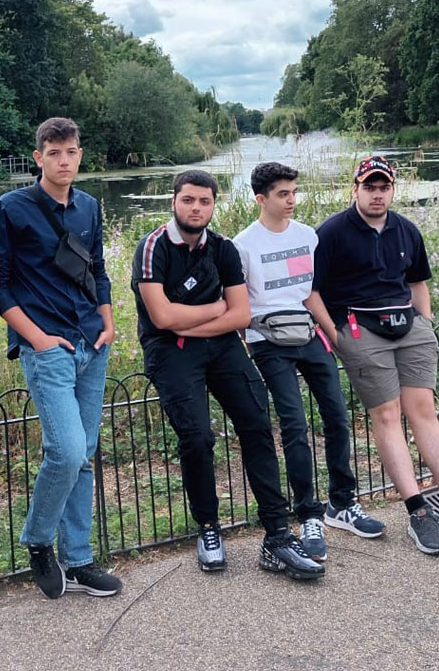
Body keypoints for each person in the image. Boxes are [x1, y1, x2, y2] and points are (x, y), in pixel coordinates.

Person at [131, 169, 324, 580]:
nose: (196, 208)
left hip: (220, 346)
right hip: (171, 352)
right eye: (188, 200)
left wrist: (194, 320)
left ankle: (276, 535)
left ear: (214, 205)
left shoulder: (222, 249)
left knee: (256, 424)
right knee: (197, 437)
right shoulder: (152, 248)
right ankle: (208, 527)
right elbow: (161, 317)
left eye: (204, 201)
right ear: (174, 201)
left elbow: (240, 314)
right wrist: (209, 312)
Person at [311, 155, 439, 555]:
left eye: (384, 188)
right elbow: (311, 290)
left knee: (424, 410)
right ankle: (417, 511)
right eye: (370, 187)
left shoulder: (406, 230)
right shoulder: (330, 233)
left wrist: (425, 324)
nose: (377, 194)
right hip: (360, 327)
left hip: (408, 325)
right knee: (386, 415)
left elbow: (417, 282)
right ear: (355, 189)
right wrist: (338, 335)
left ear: (393, 190)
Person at [0, 117, 122, 599]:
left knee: (83, 456)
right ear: (38, 157)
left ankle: (79, 559)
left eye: (72, 152)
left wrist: (108, 319)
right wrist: (36, 338)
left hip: (91, 341)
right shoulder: (10, 210)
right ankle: (40, 541)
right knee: (66, 450)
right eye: (55, 152)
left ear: (80, 155)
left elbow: (98, 269)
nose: (65, 161)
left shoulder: (89, 206)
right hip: (49, 348)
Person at [232, 162, 385, 562]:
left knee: (337, 416)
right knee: (295, 425)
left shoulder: (307, 237)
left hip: (308, 334)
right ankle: (308, 515)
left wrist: (334, 338)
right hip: (268, 341)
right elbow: (239, 304)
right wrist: (249, 345)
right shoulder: (243, 244)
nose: (292, 201)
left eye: (294, 192)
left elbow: (309, 292)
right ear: (261, 199)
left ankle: (342, 502)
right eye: (283, 194)